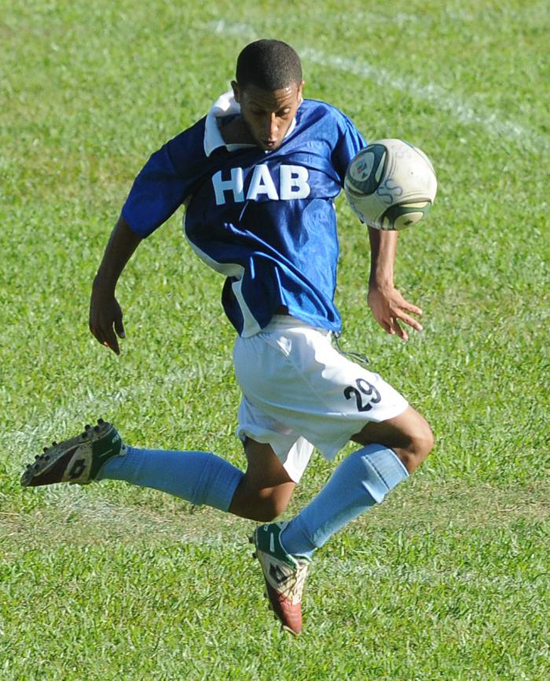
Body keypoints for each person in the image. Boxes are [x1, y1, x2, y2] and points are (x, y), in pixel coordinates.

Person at [21, 39, 434, 635]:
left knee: (260, 498)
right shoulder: (201, 149)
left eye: (284, 112)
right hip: (284, 344)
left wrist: (382, 278)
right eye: (261, 110)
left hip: (283, 350)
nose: (273, 127)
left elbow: (377, 190)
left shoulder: (326, 125)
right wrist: (102, 286)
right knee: (411, 441)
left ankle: (110, 458)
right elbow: (139, 211)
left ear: (300, 97)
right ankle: (293, 548)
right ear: (237, 92)